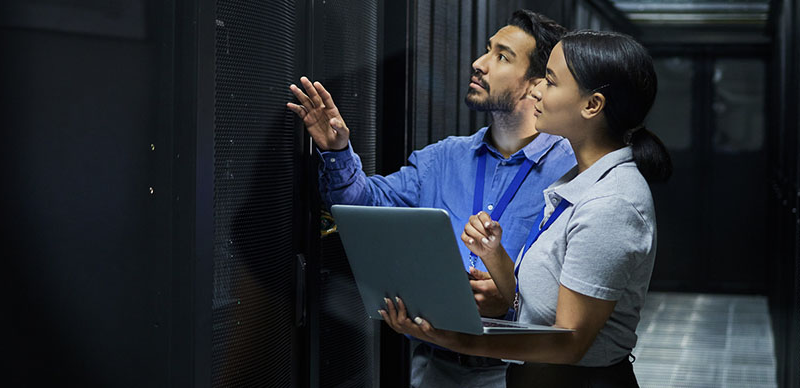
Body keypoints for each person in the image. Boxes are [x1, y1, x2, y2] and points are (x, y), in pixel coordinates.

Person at [286, 10, 573, 388]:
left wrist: (514, 297)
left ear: (537, 84)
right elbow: (362, 204)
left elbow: (582, 287)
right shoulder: (444, 158)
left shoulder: (570, 171)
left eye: (502, 56)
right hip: (433, 367)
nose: (479, 63)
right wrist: (338, 150)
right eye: (487, 50)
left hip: (520, 374)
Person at [379, 30, 672, 388]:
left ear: (592, 105)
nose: (535, 90)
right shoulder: (577, 182)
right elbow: (533, 305)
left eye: (549, 81)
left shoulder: (612, 203)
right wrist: (495, 255)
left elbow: (568, 343)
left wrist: (448, 337)